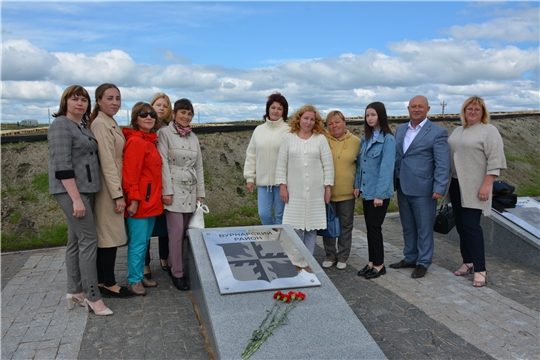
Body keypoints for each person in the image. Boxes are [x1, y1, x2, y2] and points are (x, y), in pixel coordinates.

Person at [48, 85, 112, 315]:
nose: (80, 103)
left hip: (86, 190)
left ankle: (75, 291)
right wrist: (75, 199)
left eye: (83, 100)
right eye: (75, 99)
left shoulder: (81, 126)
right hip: (71, 192)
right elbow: (62, 166)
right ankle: (93, 297)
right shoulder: (60, 126)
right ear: (65, 102)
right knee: (89, 240)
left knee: (75, 241)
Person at [445, 96, 506, 287]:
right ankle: (468, 261)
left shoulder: (489, 131)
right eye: (469, 109)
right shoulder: (458, 130)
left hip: (475, 187)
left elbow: (495, 161)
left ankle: (480, 268)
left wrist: (486, 185)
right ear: (463, 111)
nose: (472, 112)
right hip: (455, 185)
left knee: (472, 227)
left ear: (483, 113)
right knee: (462, 226)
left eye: (477, 109)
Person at [391, 95, 450, 278]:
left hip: (424, 188)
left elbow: (443, 163)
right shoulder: (400, 130)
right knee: (408, 225)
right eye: (413, 106)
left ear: (428, 109)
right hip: (403, 185)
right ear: (408, 108)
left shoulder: (437, 132)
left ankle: (423, 262)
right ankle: (410, 257)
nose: (416, 109)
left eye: (420, 107)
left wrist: (439, 187)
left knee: (424, 227)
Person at [88, 83, 134, 298]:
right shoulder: (100, 124)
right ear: (98, 101)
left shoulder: (109, 121)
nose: (115, 102)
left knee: (108, 234)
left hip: (113, 181)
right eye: (109, 98)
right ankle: (109, 283)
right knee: (109, 236)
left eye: (118, 98)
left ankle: (101, 280)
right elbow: (106, 161)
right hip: (109, 186)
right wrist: (117, 194)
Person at [157, 98, 205, 291]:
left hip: (191, 189)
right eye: (183, 112)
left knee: (186, 231)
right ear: (174, 113)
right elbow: (163, 164)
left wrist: (200, 193)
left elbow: (199, 166)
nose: (186, 116)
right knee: (175, 232)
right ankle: (178, 273)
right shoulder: (164, 134)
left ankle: (175, 264)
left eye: (189, 113)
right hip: (174, 189)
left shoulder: (193, 137)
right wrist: (166, 191)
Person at [275, 104, 334, 254]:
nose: (308, 122)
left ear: (316, 122)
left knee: (311, 230)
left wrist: (328, 188)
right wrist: (282, 186)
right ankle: (297, 259)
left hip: (316, 192)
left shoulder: (320, 139)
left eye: (312, 119)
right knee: (294, 228)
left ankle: (309, 262)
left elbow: (328, 165)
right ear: (299, 119)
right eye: (306, 118)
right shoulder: (288, 138)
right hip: (294, 192)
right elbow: (281, 164)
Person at [122, 102, 163, 296]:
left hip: (152, 201)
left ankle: (139, 275)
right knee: (138, 243)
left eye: (152, 114)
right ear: (135, 118)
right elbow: (130, 174)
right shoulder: (136, 141)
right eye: (143, 114)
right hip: (141, 202)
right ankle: (134, 280)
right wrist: (134, 200)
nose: (149, 117)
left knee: (145, 242)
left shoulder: (150, 140)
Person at [354, 102, 396, 279]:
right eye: (367, 115)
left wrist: (379, 195)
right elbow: (360, 165)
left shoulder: (388, 140)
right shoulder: (366, 138)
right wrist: (357, 185)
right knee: (369, 228)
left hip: (379, 193)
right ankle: (371, 262)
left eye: (373, 115)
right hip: (366, 191)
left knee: (374, 228)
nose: (369, 118)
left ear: (380, 115)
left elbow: (386, 170)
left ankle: (379, 265)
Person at [321, 110, 360, 270]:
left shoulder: (356, 142)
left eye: (337, 122)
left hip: (347, 193)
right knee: (327, 225)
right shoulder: (322, 140)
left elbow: (360, 167)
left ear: (344, 123)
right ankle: (330, 255)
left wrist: (357, 185)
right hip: (325, 193)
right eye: (330, 123)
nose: (334, 125)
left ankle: (343, 256)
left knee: (346, 225)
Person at [244, 93, 290, 225]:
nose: (275, 111)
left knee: (281, 215)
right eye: (273, 107)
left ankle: (282, 242)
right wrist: (250, 178)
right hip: (264, 182)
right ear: (268, 109)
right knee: (263, 214)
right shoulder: (259, 130)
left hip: (282, 183)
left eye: (279, 108)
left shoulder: (289, 130)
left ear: (284, 112)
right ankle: (274, 238)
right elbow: (251, 154)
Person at [143, 93, 174, 280]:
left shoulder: (170, 130)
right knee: (144, 226)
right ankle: (145, 264)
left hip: (165, 181)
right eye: (158, 104)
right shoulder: (145, 128)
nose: (161, 108)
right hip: (148, 183)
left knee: (166, 224)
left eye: (165, 105)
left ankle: (164, 258)